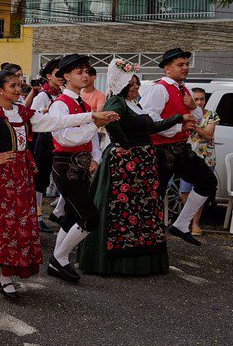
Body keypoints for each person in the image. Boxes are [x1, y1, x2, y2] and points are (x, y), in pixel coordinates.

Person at [0, 71, 116, 298]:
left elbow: (58, 121)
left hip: (22, 175)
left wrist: (91, 116)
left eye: (19, 85)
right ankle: (4, 277)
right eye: (13, 86)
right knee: (4, 226)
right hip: (3, 178)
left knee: (18, 225)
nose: (18, 90)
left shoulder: (24, 113)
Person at [79, 60, 189, 276]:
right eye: (133, 83)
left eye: (137, 83)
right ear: (122, 84)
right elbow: (110, 122)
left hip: (142, 164)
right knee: (121, 211)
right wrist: (125, 145)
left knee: (142, 211)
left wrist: (178, 119)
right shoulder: (116, 102)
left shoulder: (134, 104)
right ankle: (116, 263)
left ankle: (141, 259)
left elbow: (152, 128)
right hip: (125, 165)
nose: (137, 87)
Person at [141, 48, 216, 246]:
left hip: (181, 148)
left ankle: (182, 224)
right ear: (167, 69)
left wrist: (193, 106)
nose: (185, 68)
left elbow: (198, 118)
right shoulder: (159, 89)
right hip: (160, 151)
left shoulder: (185, 89)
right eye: (180, 65)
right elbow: (150, 121)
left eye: (186, 65)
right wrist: (178, 126)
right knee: (154, 196)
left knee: (208, 181)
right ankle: (148, 238)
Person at [46, 54, 103, 283]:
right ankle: (59, 258)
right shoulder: (59, 104)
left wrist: (96, 157)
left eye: (87, 71)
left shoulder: (83, 103)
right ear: (66, 76)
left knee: (71, 215)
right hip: (65, 163)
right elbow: (65, 138)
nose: (85, 75)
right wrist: (95, 125)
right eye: (79, 72)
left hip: (80, 163)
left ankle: (59, 260)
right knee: (90, 218)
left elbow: (93, 137)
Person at [30, 59, 64, 232]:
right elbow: (33, 117)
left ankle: (58, 212)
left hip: (60, 139)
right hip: (44, 141)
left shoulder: (62, 93)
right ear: (49, 76)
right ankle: (37, 216)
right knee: (40, 180)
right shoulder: (43, 95)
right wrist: (43, 113)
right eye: (58, 74)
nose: (61, 77)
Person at [180, 87, 219, 236]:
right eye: (196, 99)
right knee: (185, 191)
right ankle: (186, 222)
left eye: (202, 99)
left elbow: (209, 135)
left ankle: (196, 223)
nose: (199, 102)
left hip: (206, 158)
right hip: (187, 157)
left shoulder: (211, 115)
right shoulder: (185, 115)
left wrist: (194, 126)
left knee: (201, 191)